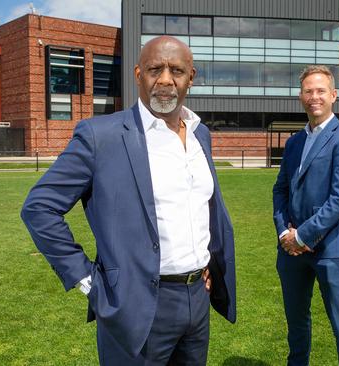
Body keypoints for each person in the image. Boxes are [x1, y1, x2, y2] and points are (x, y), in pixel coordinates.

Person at [21, 35, 236, 365]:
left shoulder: (199, 135)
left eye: (176, 70)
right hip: (134, 304)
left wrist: (206, 263)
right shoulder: (100, 136)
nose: (165, 79)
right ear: (138, 75)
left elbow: (197, 209)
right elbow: (39, 207)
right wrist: (88, 281)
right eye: (155, 69)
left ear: (191, 77)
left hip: (197, 299)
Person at [272, 65, 339, 366]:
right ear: (301, 96)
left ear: (334, 95)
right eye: (308, 91)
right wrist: (283, 233)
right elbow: (280, 190)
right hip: (291, 251)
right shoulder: (295, 142)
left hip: (330, 249)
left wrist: (301, 235)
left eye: (321, 90)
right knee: (296, 324)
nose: (314, 97)